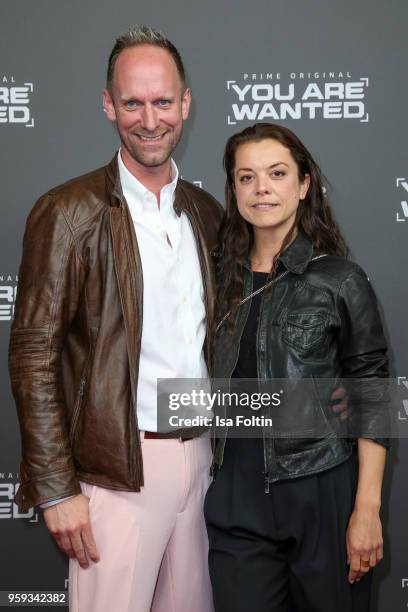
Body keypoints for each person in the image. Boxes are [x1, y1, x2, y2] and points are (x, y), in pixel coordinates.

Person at [9, 25, 223, 612]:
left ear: (186, 104)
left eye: (161, 102)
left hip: (201, 462)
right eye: (132, 102)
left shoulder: (207, 213)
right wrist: (56, 489)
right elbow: (34, 353)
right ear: (109, 106)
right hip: (116, 472)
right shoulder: (67, 211)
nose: (149, 120)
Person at [204, 122, 389, 612]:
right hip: (235, 498)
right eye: (246, 177)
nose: (261, 187)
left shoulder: (340, 280)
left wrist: (366, 509)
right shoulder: (213, 276)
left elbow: (372, 392)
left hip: (320, 490)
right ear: (234, 190)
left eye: (277, 173)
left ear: (304, 185)